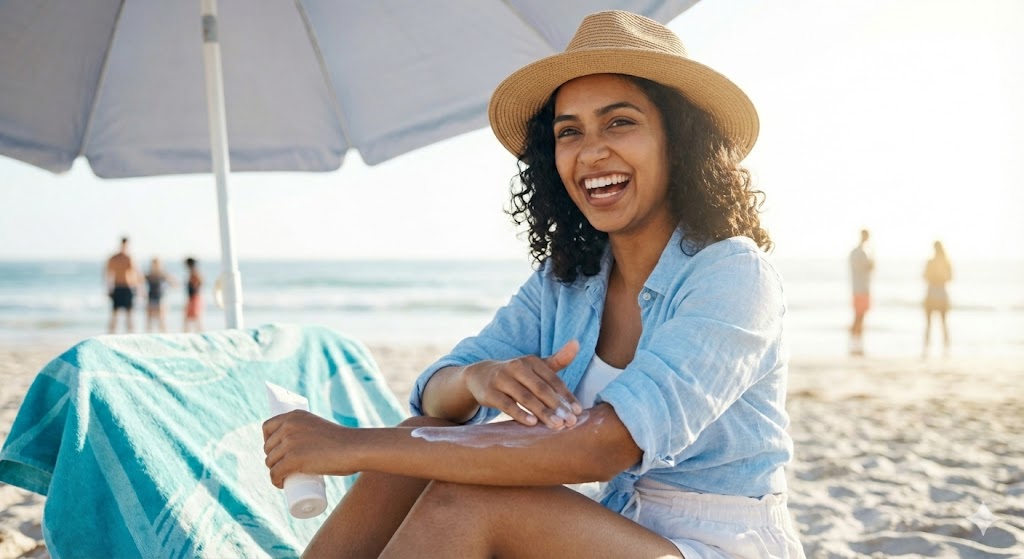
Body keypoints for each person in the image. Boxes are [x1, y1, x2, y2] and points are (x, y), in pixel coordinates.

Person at [263, 11, 803, 558]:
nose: (591, 152)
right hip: (613, 527)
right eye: (569, 132)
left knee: (466, 499)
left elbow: (602, 449)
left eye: (619, 123)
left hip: (719, 544)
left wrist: (348, 447)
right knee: (419, 434)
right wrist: (479, 378)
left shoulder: (732, 274)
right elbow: (435, 394)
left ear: (678, 142)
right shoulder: (569, 281)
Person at [923, 240, 952, 356]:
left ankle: (945, 347)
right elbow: (925, 276)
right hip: (935, 295)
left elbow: (950, 277)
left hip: (937, 295)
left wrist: (938, 278)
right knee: (932, 323)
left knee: (940, 323)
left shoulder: (943, 262)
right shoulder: (937, 262)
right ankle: (928, 347)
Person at [104, 236, 140, 334]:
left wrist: (138, 288)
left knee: (130, 315)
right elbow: (107, 274)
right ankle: (110, 335)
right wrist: (108, 288)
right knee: (114, 314)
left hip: (128, 287)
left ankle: (131, 335)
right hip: (117, 287)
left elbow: (135, 274)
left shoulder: (129, 258)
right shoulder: (114, 258)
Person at [848, 228, 875, 356]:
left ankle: (855, 343)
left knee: (858, 317)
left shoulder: (854, 253)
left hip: (856, 289)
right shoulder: (863, 253)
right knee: (860, 318)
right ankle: (856, 344)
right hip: (862, 289)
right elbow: (870, 267)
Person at [144, 258, 176, 333]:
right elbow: (139, 282)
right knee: (149, 320)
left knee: (161, 320)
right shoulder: (149, 275)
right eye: (153, 264)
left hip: (160, 298)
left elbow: (174, 283)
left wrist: (169, 285)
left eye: (156, 264)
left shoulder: (162, 275)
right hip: (150, 298)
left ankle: (164, 335)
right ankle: (148, 336)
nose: (155, 266)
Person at [184, 257, 203, 332]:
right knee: (189, 317)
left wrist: (195, 286)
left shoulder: (194, 272)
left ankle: (199, 332)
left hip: (194, 297)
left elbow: (200, 282)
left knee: (196, 317)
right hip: (192, 297)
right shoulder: (193, 272)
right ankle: (187, 332)